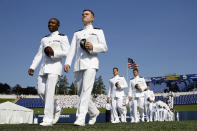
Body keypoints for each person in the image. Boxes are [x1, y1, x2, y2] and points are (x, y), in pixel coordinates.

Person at [64, 9, 108, 126]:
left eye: (87, 14)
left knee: (86, 90)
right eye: (83, 14)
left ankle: (80, 118)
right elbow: (72, 50)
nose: (84, 16)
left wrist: (93, 46)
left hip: (91, 63)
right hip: (78, 65)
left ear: (92, 17)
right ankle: (94, 112)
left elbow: (104, 47)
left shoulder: (98, 31)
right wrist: (67, 62)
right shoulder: (77, 33)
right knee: (80, 92)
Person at [28, 18, 70, 126]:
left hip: (55, 68)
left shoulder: (62, 37)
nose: (50, 24)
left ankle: (48, 120)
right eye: (49, 23)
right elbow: (39, 54)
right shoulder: (44, 39)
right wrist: (32, 67)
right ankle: (56, 108)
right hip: (43, 69)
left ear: (58, 25)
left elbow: (67, 52)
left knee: (50, 93)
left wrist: (54, 52)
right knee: (41, 92)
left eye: (53, 23)